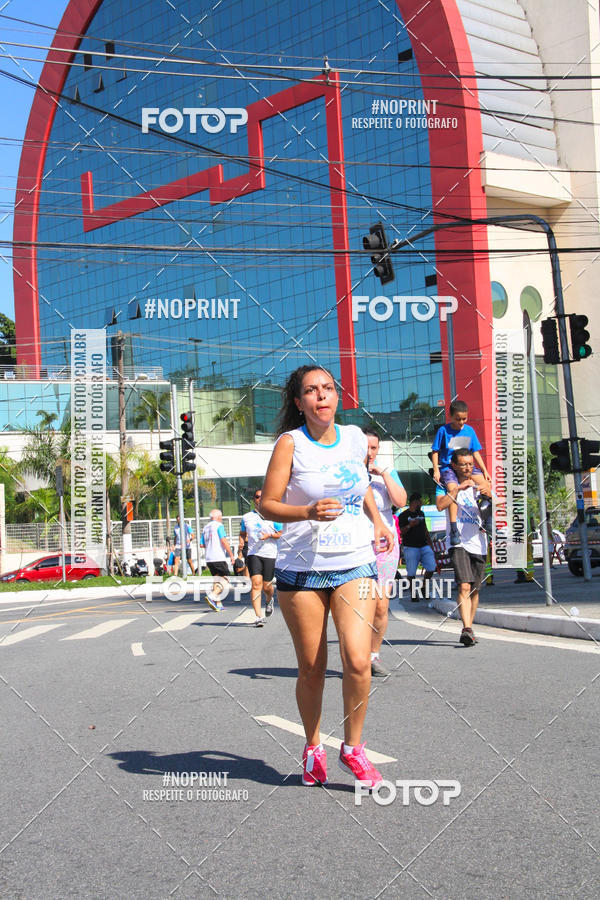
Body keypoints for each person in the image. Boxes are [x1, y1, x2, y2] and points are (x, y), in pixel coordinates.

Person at [260, 365, 394, 789]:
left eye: (328, 388)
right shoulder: (290, 444)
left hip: (354, 560)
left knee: (357, 660)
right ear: (299, 403)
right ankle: (313, 745)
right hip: (301, 568)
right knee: (312, 668)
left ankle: (353, 749)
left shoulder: (355, 438)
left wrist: (376, 521)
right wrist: (306, 512)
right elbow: (267, 504)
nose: (322, 396)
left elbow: (361, 488)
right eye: (311, 391)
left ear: (337, 396)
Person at [435, 448, 492, 646]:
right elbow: (440, 505)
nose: (468, 468)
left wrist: (489, 494)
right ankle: (466, 628)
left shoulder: (479, 482)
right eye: (463, 464)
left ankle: (470, 627)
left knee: (475, 589)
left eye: (470, 464)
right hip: (458, 542)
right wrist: (457, 489)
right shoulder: (445, 483)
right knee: (464, 585)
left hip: (479, 542)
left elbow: (499, 505)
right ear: (454, 465)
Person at [363, 428, 406, 676]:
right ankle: (356, 655)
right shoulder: (348, 473)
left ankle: (373, 655)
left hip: (384, 547)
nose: (370, 452)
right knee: (357, 605)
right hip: (355, 546)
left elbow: (400, 501)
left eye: (374, 448)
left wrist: (384, 473)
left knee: (380, 606)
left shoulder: (386, 472)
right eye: (366, 447)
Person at [431, 400, 491, 547]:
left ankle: (487, 519)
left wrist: (484, 470)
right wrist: (436, 469)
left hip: (467, 467)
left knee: (485, 485)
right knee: (453, 491)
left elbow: (475, 452)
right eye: (458, 419)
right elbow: (435, 451)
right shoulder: (443, 431)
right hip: (449, 467)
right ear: (450, 416)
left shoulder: (469, 431)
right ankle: (454, 529)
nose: (461, 422)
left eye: (464, 418)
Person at [238, 489, 282, 627]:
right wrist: (241, 542)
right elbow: (242, 533)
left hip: (270, 553)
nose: (260, 499)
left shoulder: (273, 516)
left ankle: (269, 599)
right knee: (256, 583)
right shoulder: (246, 517)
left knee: (267, 586)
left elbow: (280, 533)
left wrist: (269, 535)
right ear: (254, 500)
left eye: (263, 497)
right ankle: (258, 616)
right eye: (257, 497)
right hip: (253, 553)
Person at [397, 493, 436, 600]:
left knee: (432, 567)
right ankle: (413, 593)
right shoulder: (403, 516)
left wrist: (430, 544)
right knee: (411, 572)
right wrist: (410, 525)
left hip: (423, 544)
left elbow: (425, 529)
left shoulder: (421, 513)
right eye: (419, 501)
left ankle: (423, 587)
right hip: (410, 546)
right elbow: (400, 532)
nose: (421, 503)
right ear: (414, 502)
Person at [199, 509, 235, 611]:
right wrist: (231, 555)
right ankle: (212, 595)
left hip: (209, 558)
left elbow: (202, 544)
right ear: (218, 517)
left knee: (217, 579)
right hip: (218, 557)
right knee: (226, 579)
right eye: (221, 517)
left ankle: (218, 604)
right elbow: (223, 540)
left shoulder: (206, 527)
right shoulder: (219, 526)